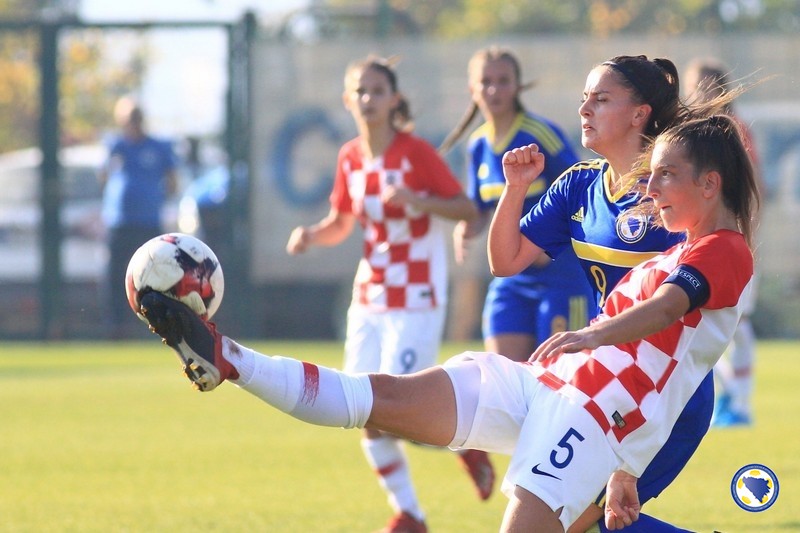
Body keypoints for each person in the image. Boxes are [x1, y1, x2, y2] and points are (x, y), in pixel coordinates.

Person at [136, 113, 758, 532]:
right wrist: (626, 468)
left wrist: (593, 340)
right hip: (546, 386)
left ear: (711, 184)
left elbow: (668, 313)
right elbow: (663, 370)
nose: (652, 186)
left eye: (667, 175)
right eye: (652, 173)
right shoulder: (679, 247)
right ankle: (229, 359)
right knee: (376, 401)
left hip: (594, 418)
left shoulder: (726, 250)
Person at [487, 55, 744, 531]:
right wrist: (515, 188)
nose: (585, 108)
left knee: (573, 523)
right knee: (585, 524)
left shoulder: (671, 194)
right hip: (603, 387)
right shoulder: (578, 185)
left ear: (639, 114)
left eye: (601, 99)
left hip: (666, 395)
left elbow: (690, 288)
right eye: (585, 98)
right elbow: (504, 262)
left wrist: (594, 335)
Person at [284, 55, 487, 533]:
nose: (368, 99)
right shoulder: (349, 156)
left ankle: (468, 441)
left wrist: (417, 200)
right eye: (360, 91)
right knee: (362, 410)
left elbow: (464, 208)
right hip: (369, 296)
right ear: (346, 100)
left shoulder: (415, 153)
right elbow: (341, 223)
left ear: (394, 99)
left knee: (402, 410)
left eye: (377, 91)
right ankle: (410, 514)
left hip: (416, 295)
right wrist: (312, 235)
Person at [442, 46, 594, 362]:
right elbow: (480, 207)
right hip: (512, 276)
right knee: (505, 374)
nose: (494, 90)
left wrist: (543, 244)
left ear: (517, 86)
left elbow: (581, 189)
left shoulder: (538, 133)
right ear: (472, 89)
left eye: (503, 81)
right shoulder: (478, 144)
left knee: (558, 374)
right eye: (486, 82)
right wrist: (467, 226)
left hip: (561, 273)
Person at [683, 57, 761, 428]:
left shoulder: (736, 132)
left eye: (709, 86)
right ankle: (719, 399)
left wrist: (749, 235)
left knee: (737, 323)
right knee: (696, 324)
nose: (702, 93)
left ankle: (739, 402)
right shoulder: (685, 133)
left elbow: (754, 186)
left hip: (731, 242)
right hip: (694, 243)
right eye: (696, 86)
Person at [100, 96, 178, 339]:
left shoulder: (159, 147)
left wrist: (154, 197)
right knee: (116, 276)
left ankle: (155, 324)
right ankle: (115, 326)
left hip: (148, 222)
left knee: (152, 276)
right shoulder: (116, 146)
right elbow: (103, 175)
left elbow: (172, 181)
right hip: (119, 221)